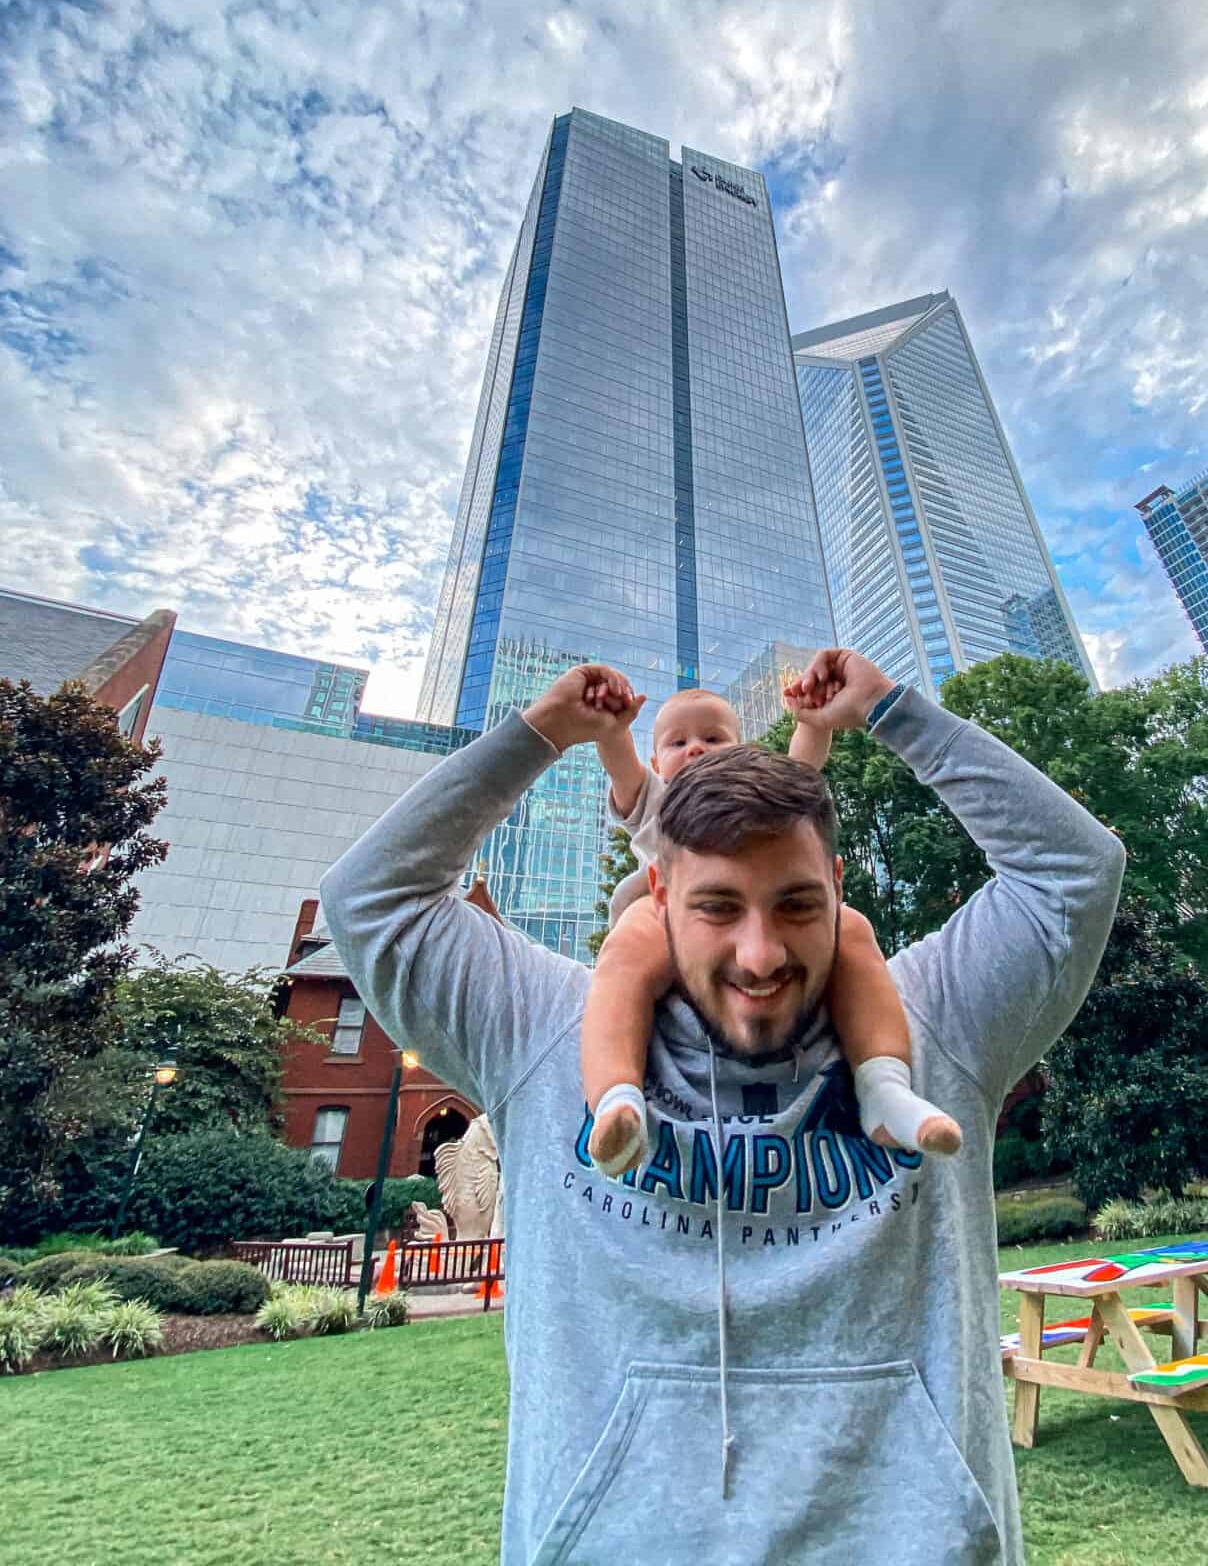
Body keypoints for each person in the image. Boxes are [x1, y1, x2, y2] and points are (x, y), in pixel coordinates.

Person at [320, 647, 1125, 1565]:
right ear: (659, 898)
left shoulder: (936, 1023)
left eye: (794, 905)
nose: (759, 955)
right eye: (715, 908)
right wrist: (543, 732)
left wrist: (893, 711)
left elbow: (1075, 870)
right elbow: (369, 896)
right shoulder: (543, 1032)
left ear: (837, 894)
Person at [582, 680, 961, 1175]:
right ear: (657, 764)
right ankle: (616, 1101)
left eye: (713, 739)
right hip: (663, 922)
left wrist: (810, 722)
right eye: (677, 743)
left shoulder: (762, 798)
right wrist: (611, 731)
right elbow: (621, 769)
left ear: (742, 750)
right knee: (624, 954)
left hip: (759, 920)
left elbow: (803, 772)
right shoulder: (657, 801)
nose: (695, 748)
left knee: (851, 928)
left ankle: (884, 1086)